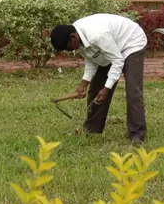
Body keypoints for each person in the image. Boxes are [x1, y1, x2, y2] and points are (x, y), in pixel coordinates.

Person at [49, 13, 147, 143]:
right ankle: (92, 129)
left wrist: (107, 89)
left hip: (131, 42)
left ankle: (137, 135)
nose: (70, 51)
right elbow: (91, 59)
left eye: (68, 48)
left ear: (72, 37)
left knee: (132, 92)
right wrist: (83, 85)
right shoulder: (77, 38)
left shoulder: (97, 36)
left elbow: (117, 61)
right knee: (96, 90)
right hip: (111, 47)